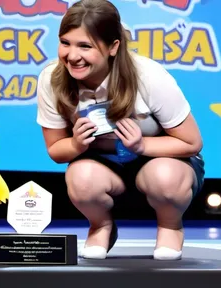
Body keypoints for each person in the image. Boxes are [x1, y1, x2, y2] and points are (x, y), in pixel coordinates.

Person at [36, 0, 205, 261]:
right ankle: (101, 226)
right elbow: (56, 150)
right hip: (103, 168)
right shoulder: (51, 79)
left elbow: (192, 142)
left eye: (85, 46)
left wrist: (141, 146)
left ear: (113, 47)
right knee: (81, 179)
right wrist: (77, 145)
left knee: (166, 178)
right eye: (65, 43)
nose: (72, 55)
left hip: (161, 161)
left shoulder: (148, 75)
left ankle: (170, 226)